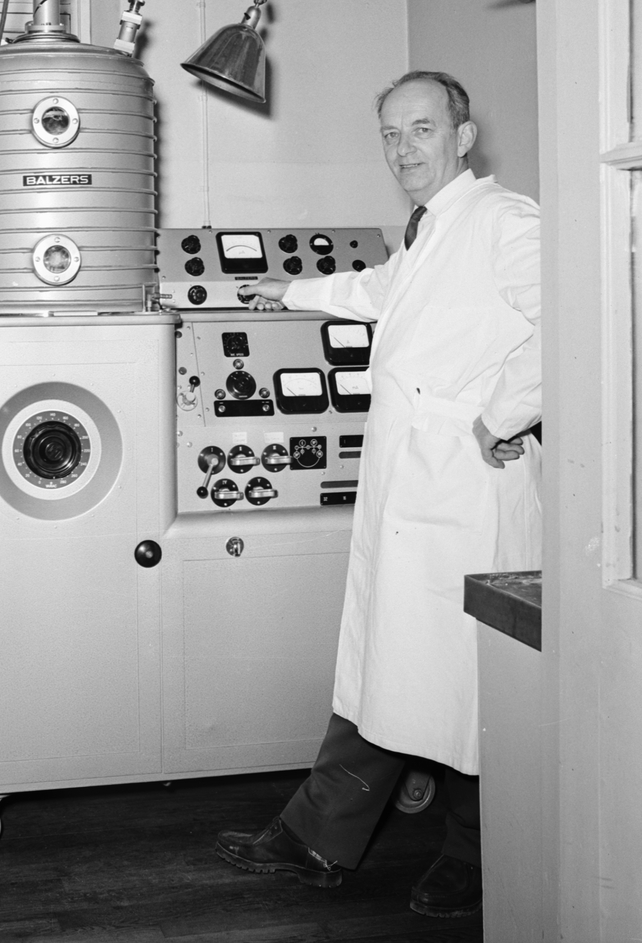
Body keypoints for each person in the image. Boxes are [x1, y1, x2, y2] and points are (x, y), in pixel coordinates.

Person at [216, 71, 540, 919]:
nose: (403, 149)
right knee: (393, 669)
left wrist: (505, 414)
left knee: (467, 687)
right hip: (412, 490)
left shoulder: (504, 220)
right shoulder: (433, 228)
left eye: (421, 129)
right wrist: (285, 290)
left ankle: (477, 859)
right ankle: (319, 838)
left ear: (462, 137)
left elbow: (574, 316)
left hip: (467, 492)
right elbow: (380, 288)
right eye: (390, 134)